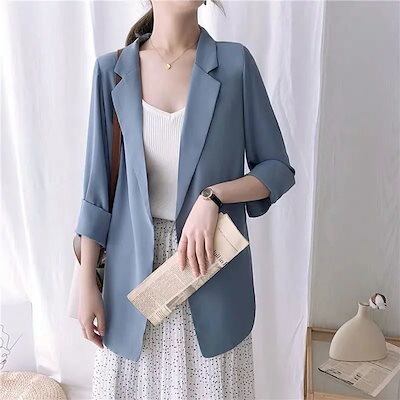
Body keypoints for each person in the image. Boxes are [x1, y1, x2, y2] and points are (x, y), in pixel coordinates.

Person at [75, 1, 296, 399]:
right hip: (132, 283)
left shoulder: (234, 65)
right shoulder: (112, 71)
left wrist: (214, 197)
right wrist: (85, 280)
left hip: (209, 271)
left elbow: (276, 168)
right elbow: (97, 192)